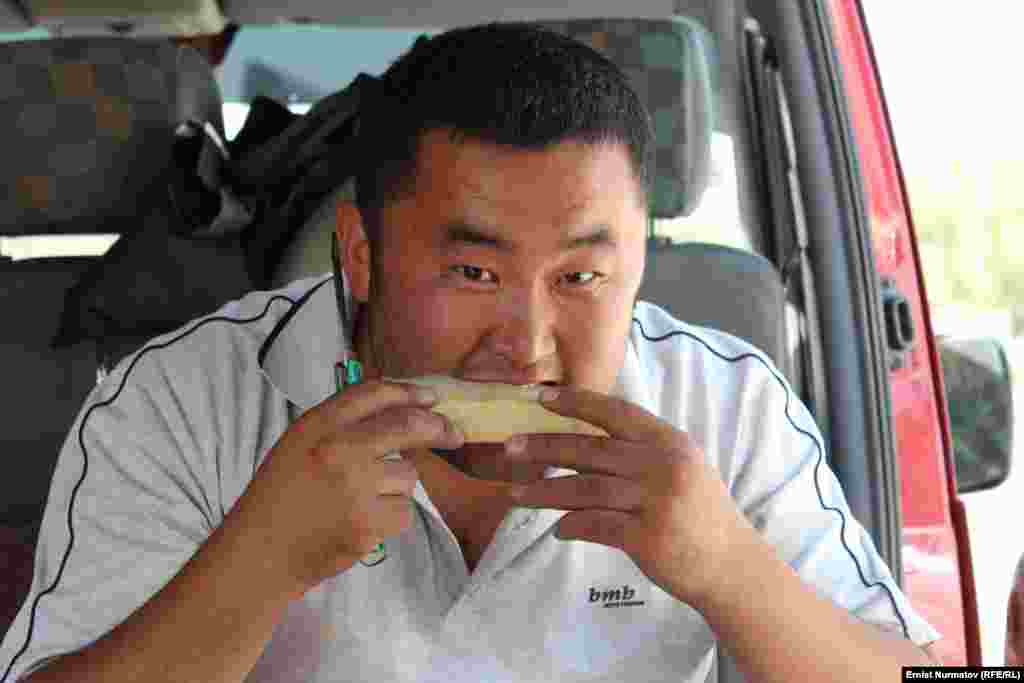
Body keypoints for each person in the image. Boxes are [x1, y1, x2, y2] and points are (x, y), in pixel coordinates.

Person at [1, 22, 940, 683]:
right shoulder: (177, 401)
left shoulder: (728, 407)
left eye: (581, 277)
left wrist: (734, 573)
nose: (525, 345)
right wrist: (258, 564)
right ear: (361, 254)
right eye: (473, 272)